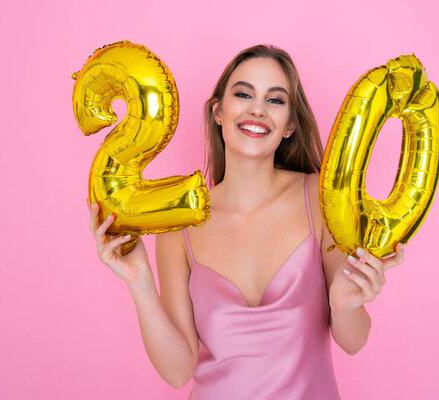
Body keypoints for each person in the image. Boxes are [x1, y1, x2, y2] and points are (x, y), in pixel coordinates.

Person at [87, 44, 404, 399]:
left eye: (275, 100)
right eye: (243, 94)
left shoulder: (321, 199)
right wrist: (139, 280)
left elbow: (354, 341)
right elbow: (178, 372)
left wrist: (347, 304)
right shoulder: (179, 224)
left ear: (289, 126)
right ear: (218, 112)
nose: (257, 109)